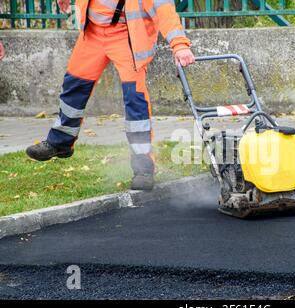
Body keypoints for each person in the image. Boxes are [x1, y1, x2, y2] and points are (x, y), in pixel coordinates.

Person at [26, 0, 195, 190]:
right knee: (74, 85)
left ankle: (143, 168)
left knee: (135, 99)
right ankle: (60, 142)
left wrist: (179, 44)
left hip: (126, 36)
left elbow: (165, 9)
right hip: (93, 33)